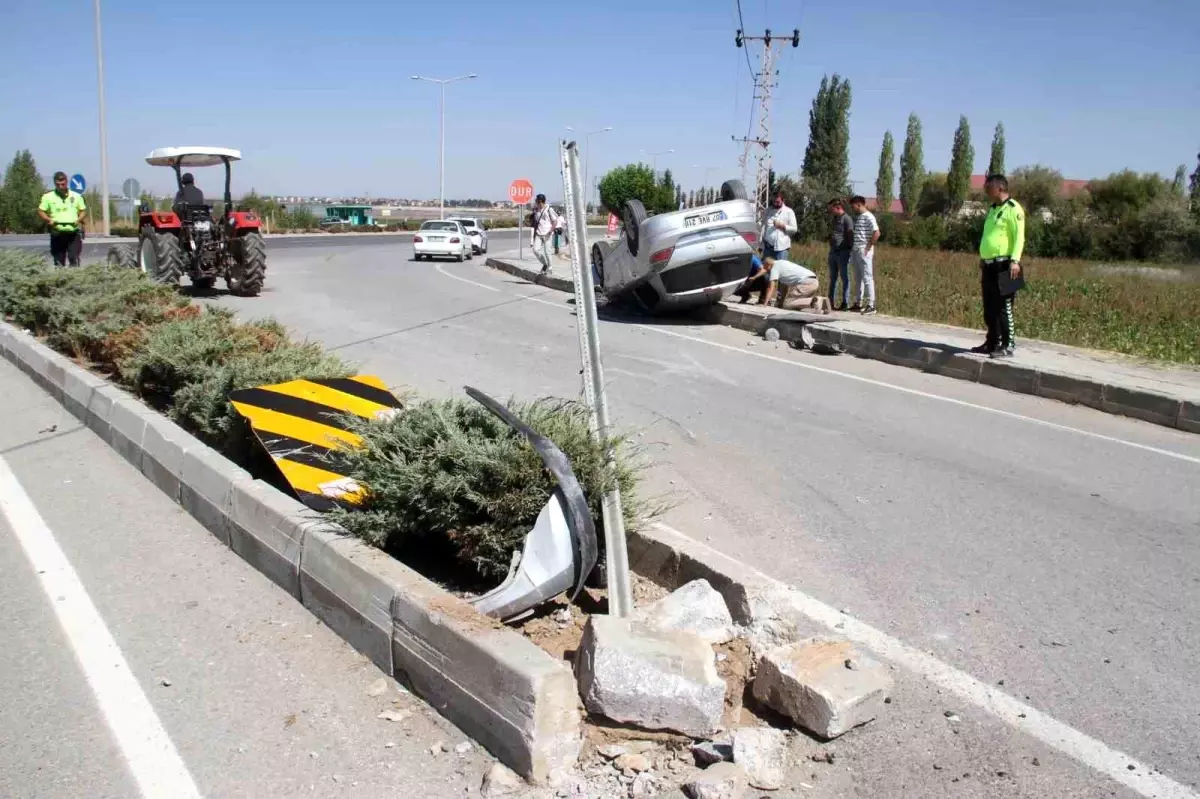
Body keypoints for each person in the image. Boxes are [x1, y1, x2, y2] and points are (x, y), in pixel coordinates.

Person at [974, 174, 1026, 358]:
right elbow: (990, 236)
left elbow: (1019, 237)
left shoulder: (1014, 209)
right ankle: (992, 341)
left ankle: (1008, 344)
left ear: (1000, 188)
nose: (987, 191)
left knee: (1005, 306)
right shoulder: (993, 209)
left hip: (1007, 264)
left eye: (989, 188)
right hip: (989, 265)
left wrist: (1015, 261)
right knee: (989, 306)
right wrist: (983, 256)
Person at [37, 172, 88, 267]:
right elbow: (41, 211)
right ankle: (61, 279)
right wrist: (48, 220)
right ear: (54, 183)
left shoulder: (76, 196)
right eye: (57, 184)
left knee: (74, 258)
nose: (60, 186)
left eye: (63, 184)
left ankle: (75, 279)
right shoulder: (48, 197)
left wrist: (78, 219)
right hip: (57, 233)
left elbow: (83, 211)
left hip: (73, 233)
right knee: (59, 261)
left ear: (66, 182)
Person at [848, 195, 879, 315]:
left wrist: (868, 246)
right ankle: (858, 303)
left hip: (864, 250)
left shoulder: (869, 217)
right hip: (856, 250)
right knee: (858, 277)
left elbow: (877, 232)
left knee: (867, 277)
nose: (852, 208)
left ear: (859, 204)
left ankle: (871, 305)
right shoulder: (860, 217)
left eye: (853, 206)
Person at [827, 198, 854, 310]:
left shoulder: (847, 219)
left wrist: (849, 249)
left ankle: (845, 302)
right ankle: (830, 302)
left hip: (843, 252)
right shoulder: (834, 219)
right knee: (833, 278)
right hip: (833, 252)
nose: (831, 211)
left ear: (838, 208)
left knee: (844, 278)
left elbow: (850, 235)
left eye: (832, 209)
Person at [530, 194, 561, 274]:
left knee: (547, 252)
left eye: (537, 201)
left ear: (541, 202)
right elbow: (535, 221)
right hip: (539, 234)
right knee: (535, 250)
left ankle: (550, 267)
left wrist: (550, 231)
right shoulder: (536, 210)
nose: (536, 203)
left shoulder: (549, 209)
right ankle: (545, 264)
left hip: (547, 233)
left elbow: (555, 221)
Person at [761, 192, 797, 260]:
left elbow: (794, 229)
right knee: (766, 269)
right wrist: (761, 245)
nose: (775, 203)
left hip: (781, 249)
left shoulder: (789, 212)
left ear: (783, 201)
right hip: (767, 247)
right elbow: (763, 227)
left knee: (780, 269)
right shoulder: (768, 211)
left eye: (777, 202)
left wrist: (783, 226)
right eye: (774, 201)